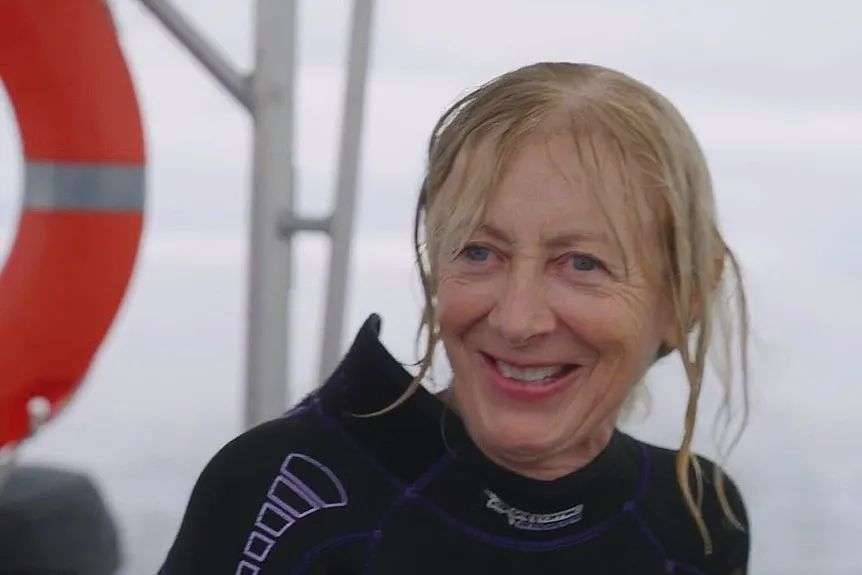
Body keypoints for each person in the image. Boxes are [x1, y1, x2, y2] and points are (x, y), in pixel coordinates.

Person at [160, 62, 750, 574]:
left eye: (581, 263)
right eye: (479, 252)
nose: (518, 321)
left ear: (685, 299)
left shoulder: (697, 518)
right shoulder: (288, 493)